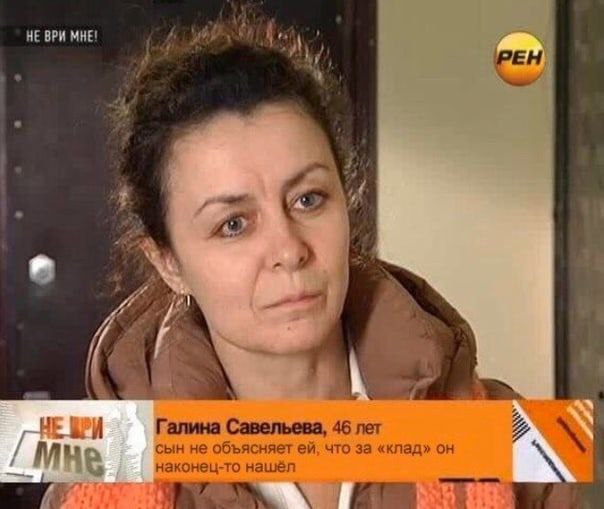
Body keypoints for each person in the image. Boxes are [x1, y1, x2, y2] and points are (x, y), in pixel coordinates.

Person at [41, 3, 579, 508]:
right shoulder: (93, 466)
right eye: (233, 224)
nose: (288, 249)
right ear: (169, 264)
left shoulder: (515, 441)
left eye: (307, 199)